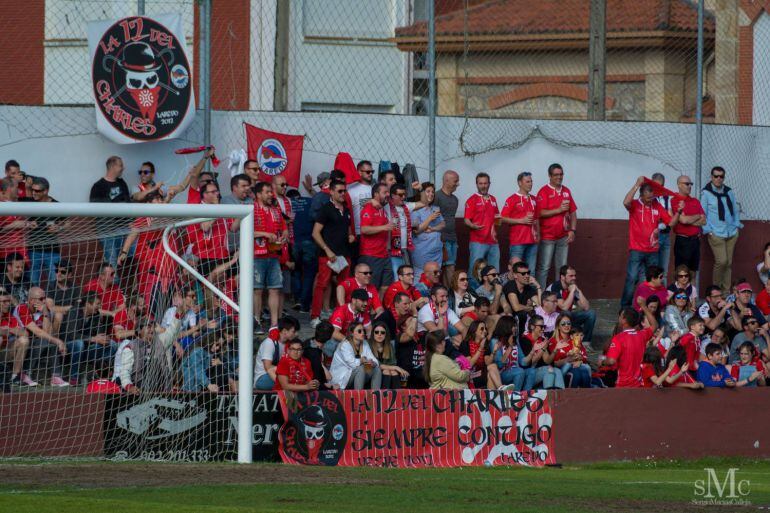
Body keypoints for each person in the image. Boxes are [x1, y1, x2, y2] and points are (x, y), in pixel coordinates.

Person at [620, 177, 680, 309]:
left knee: (650, 281)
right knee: (632, 278)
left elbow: (671, 223)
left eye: (652, 197)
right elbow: (625, 202)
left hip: (653, 251)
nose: (650, 200)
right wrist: (636, 185)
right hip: (636, 249)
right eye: (647, 197)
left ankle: (646, 306)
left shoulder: (657, 205)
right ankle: (625, 306)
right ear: (641, 195)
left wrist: (679, 212)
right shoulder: (635, 204)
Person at [310, 180, 354, 327]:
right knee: (322, 284)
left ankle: (341, 315)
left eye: (344, 191)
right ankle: (315, 316)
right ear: (332, 192)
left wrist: (350, 235)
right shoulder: (326, 209)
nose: (343, 194)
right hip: (328, 255)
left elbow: (346, 228)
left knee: (344, 285)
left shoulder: (346, 209)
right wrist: (327, 250)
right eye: (340, 191)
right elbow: (315, 233)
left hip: (344, 253)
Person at [253, 181, 288, 331]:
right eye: (267, 192)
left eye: (271, 192)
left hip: (273, 255)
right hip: (256, 255)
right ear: (258, 194)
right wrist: (265, 234)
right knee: (257, 290)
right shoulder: (251, 209)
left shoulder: (275, 210)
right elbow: (245, 231)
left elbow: (284, 228)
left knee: (275, 289)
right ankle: (256, 322)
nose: (271, 195)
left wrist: (284, 236)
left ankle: (274, 324)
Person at [701, 166, 742, 292]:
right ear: (711, 177)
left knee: (728, 263)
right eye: (716, 176)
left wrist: (736, 225)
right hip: (716, 233)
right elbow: (702, 214)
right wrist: (709, 231)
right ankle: (716, 291)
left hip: (731, 232)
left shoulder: (728, 191)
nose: (718, 179)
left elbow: (735, 210)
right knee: (722, 261)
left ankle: (725, 292)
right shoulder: (706, 193)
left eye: (721, 176)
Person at [536, 163, 577, 288]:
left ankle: (559, 296)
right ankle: (541, 297)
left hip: (563, 237)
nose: (559, 177)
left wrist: (573, 230)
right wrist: (558, 210)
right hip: (547, 237)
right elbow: (540, 212)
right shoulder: (543, 191)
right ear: (549, 176)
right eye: (556, 175)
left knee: (562, 269)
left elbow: (573, 212)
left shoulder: (566, 191)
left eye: (561, 174)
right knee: (544, 268)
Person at [60, 291, 113, 387]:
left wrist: (103, 338)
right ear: (88, 304)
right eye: (97, 304)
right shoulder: (74, 311)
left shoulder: (96, 314)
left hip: (86, 348)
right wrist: (93, 339)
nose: (99, 306)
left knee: (112, 344)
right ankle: (74, 377)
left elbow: (98, 334)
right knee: (79, 344)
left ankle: (105, 375)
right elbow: (71, 335)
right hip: (68, 347)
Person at [89, 156, 131, 270]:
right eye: (121, 165)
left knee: (129, 260)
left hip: (125, 229)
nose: (123, 168)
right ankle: (113, 287)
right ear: (112, 166)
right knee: (111, 262)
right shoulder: (98, 186)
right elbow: (96, 210)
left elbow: (128, 203)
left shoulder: (122, 183)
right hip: (107, 231)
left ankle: (127, 287)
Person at [603, 305, 657, 388]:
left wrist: (603, 361)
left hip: (623, 385)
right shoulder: (642, 335)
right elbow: (654, 325)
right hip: (639, 385)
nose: (619, 318)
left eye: (620, 316)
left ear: (624, 320)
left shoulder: (618, 338)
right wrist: (643, 306)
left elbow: (611, 361)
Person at [28, 177, 67, 287]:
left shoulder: (56, 205)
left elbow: (68, 223)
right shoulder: (29, 203)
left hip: (52, 250)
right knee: (32, 283)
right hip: (33, 250)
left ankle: (53, 303)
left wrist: (59, 227)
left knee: (54, 282)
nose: (33, 193)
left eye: (37, 191)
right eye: (32, 190)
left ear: (46, 191)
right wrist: (27, 224)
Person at [546, 265, 597, 345]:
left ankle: (585, 343)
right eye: (571, 276)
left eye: (575, 275)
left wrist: (578, 291)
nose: (574, 278)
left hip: (568, 318)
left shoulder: (571, 287)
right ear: (562, 277)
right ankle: (569, 338)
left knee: (591, 314)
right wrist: (572, 291)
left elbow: (586, 307)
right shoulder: (555, 287)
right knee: (567, 313)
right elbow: (564, 307)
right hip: (554, 319)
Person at [359, 182, 394, 295]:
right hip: (371, 255)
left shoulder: (382, 208)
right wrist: (384, 227)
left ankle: (378, 311)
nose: (388, 194)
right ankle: (371, 310)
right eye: (385, 192)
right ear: (376, 194)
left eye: (388, 192)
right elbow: (364, 229)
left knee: (385, 285)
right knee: (372, 286)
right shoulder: (369, 208)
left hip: (384, 254)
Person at [501, 172, 539, 272]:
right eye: (527, 181)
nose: (530, 184)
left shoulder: (534, 199)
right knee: (516, 271)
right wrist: (521, 220)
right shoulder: (512, 199)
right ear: (520, 183)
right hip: (518, 242)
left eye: (531, 181)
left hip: (532, 241)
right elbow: (502, 218)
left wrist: (538, 235)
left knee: (531, 271)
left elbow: (536, 219)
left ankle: (530, 288)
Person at [330, 322, 381, 390]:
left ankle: (375, 396)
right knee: (361, 368)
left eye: (364, 331)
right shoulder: (345, 345)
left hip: (357, 374)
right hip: (342, 377)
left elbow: (374, 360)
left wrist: (372, 363)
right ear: (352, 333)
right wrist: (362, 360)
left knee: (376, 369)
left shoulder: (365, 343)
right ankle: (359, 398)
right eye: (359, 331)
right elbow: (352, 364)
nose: (363, 333)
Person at [464, 172, 500, 271]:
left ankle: (493, 287)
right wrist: (473, 226)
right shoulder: (472, 200)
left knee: (494, 271)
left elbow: (497, 218)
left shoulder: (493, 199)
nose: (483, 186)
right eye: (481, 183)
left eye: (485, 183)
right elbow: (466, 220)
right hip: (478, 242)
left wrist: (497, 225)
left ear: (489, 184)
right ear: (477, 184)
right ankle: (473, 287)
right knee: (475, 271)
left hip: (493, 242)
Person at [544, 314, 591, 388]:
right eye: (563, 324)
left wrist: (580, 360)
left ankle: (587, 396)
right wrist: (568, 359)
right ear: (558, 326)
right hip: (561, 370)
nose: (566, 325)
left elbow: (582, 355)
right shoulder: (553, 341)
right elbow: (555, 364)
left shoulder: (575, 338)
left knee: (585, 371)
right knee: (576, 373)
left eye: (568, 323)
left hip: (576, 366)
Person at [253, 316, 298, 390]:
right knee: (294, 380)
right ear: (284, 331)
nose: (296, 334)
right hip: (263, 378)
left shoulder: (289, 344)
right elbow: (268, 367)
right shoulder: (269, 343)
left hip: (280, 374)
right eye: (293, 331)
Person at [672, 175, 706, 272]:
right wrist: (698, 216)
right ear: (679, 185)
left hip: (695, 241)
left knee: (693, 272)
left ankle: (693, 288)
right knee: (681, 273)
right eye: (687, 184)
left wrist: (689, 220)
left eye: (691, 184)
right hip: (683, 241)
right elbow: (683, 220)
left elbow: (704, 221)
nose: (689, 186)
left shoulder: (695, 201)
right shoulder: (675, 200)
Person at [410, 182, 445, 279]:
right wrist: (430, 218)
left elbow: (442, 224)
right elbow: (416, 231)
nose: (431, 194)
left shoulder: (435, 208)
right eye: (428, 191)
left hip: (436, 253)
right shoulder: (415, 211)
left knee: (435, 278)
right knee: (421, 278)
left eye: (433, 192)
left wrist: (433, 228)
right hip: (423, 253)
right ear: (421, 193)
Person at [0, 287, 34, 386]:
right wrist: (3, 332)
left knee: (24, 340)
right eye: (4, 301)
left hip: (4, 353)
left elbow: (25, 333)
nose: (7, 304)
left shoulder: (9, 316)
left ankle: (15, 377)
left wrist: (10, 329)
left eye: (8, 301)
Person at [520, 315, 563, 390]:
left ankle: (560, 397)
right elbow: (530, 363)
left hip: (538, 371)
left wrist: (555, 350)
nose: (543, 329)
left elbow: (547, 360)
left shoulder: (542, 340)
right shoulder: (524, 340)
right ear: (532, 327)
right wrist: (543, 349)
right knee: (549, 370)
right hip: (527, 374)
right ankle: (548, 397)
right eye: (541, 326)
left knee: (557, 371)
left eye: (544, 326)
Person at [435, 170, 460, 288]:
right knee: (443, 268)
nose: (457, 184)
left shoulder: (455, 199)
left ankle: (448, 294)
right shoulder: (436, 197)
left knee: (451, 266)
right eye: (455, 181)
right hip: (441, 238)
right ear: (446, 180)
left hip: (452, 238)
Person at [503, 261, 542, 335]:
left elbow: (540, 306)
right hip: (508, 320)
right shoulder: (510, 285)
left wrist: (538, 287)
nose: (527, 276)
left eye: (528, 273)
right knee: (522, 315)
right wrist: (531, 307)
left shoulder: (528, 288)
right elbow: (516, 307)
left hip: (522, 320)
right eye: (523, 274)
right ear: (515, 275)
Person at [385, 183, 415, 278]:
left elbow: (423, 203)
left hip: (405, 248)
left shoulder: (406, 206)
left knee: (408, 276)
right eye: (401, 195)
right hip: (393, 249)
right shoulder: (386, 207)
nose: (403, 197)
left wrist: (421, 189)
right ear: (393, 195)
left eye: (404, 194)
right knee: (396, 277)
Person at [489, 316, 526, 391]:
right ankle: (514, 396)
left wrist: (534, 351)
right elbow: (500, 364)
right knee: (520, 372)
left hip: (516, 370)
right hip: (503, 373)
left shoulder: (516, 340)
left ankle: (527, 397)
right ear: (506, 327)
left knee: (531, 371)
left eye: (516, 326)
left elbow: (523, 362)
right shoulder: (495, 341)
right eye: (513, 326)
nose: (515, 328)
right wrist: (510, 347)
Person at [369, 322, 409, 389]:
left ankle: (399, 396)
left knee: (394, 372)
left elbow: (392, 363)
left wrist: (395, 368)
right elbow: (376, 364)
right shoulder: (368, 345)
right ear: (373, 334)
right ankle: (384, 397)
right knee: (388, 371)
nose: (379, 334)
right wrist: (397, 368)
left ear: (385, 335)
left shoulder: (389, 346)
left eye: (382, 332)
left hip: (387, 371)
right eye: (376, 332)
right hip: (372, 372)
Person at [347, 160, 375, 248]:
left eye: (372, 172)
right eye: (368, 172)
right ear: (359, 172)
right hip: (357, 232)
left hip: (373, 231)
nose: (370, 174)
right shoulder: (351, 189)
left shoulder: (375, 188)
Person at [651, 173, 673, 278]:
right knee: (653, 268)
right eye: (655, 185)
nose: (658, 188)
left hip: (666, 234)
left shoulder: (666, 196)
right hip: (654, 235)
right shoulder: (648, 197)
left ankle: (662, 294)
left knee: (664, 271)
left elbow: (670, 216)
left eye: (660, 185)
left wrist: (663, 218)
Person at [303, 320, 335, 389]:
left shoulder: (308, 342)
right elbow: (321, 379)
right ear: (329, 338)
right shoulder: (314, 354)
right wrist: (331, 387)